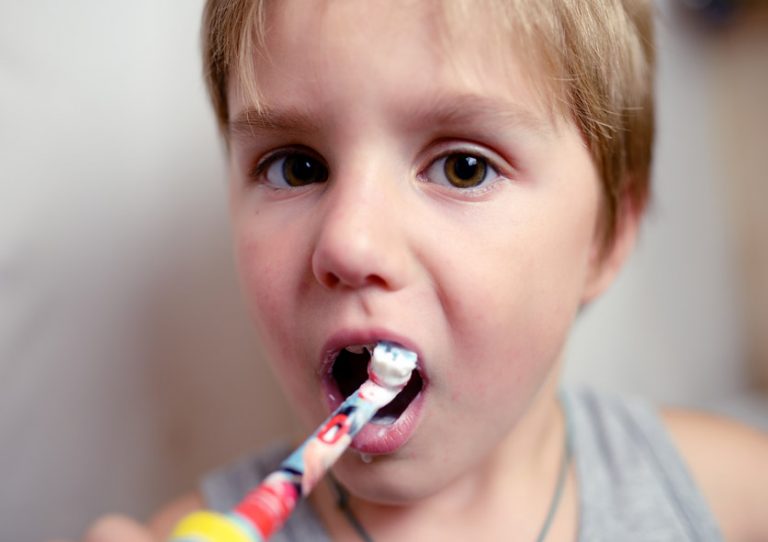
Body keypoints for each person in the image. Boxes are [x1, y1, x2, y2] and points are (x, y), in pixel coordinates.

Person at [81, 0, 768, 540]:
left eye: (463, 167)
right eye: (298, 166)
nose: (349, 244)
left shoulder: (727, 497)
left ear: (605, 238)